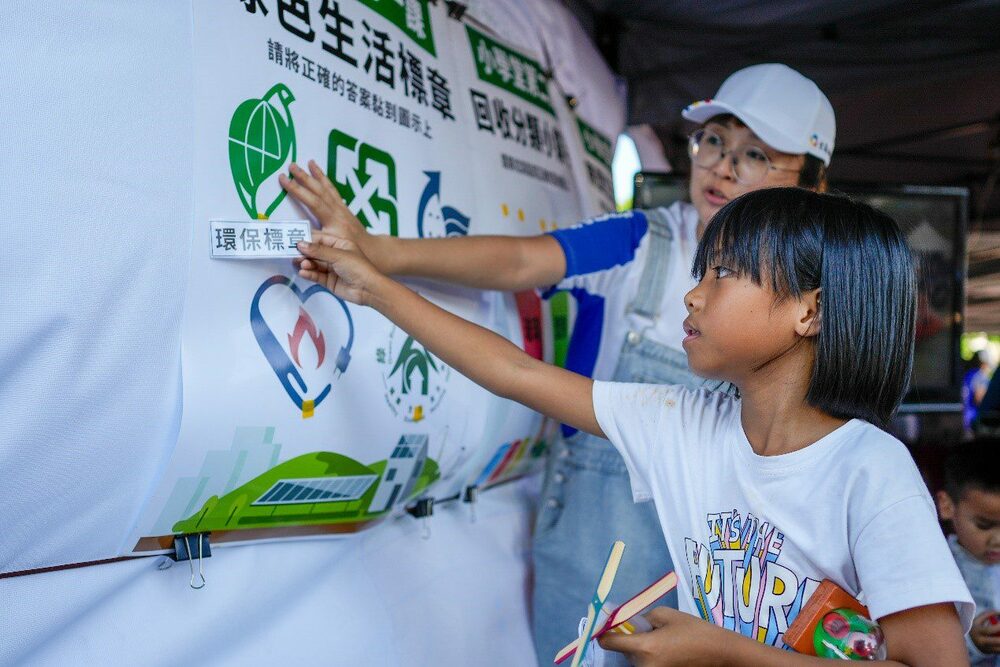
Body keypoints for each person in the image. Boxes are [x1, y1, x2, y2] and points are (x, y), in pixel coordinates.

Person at [279, 62, 837, 663]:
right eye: (714, 141)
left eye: (755, 154)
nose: (723, 167)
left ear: (812, 186)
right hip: (600, 539)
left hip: (732, 563)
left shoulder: (826, 298)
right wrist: (380, 253)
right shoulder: (640, 240)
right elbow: (521, 262)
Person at [289, 183, 973, 665]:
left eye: (726, 272)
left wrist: (723, 653)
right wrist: (370, 285)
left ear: (810, 312)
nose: (693, 292)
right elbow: (515, 372)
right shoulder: (685, 422)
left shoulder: (871, 471)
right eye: (703, 267)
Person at [936, 439, 1000, 665]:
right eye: (984, 525)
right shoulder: (938, 569)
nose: (998, 540)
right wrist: (971, 643)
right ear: (947, 506)